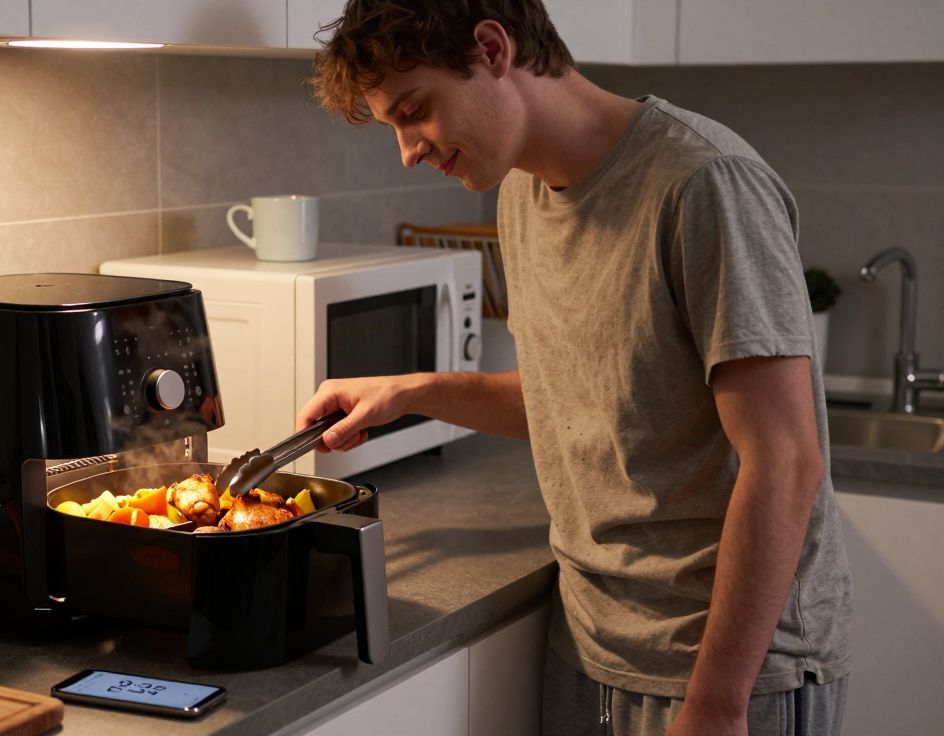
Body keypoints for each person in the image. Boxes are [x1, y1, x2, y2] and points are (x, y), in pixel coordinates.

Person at [300, 2, 853, 735]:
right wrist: (411, 392)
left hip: (728, 672)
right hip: (592, 644)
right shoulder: (521, 193)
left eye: (415, 110)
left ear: (493, 49)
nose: (407, 150)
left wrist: (717, 701)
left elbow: (785, 461)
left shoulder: (704, 184)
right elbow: (578, 394)